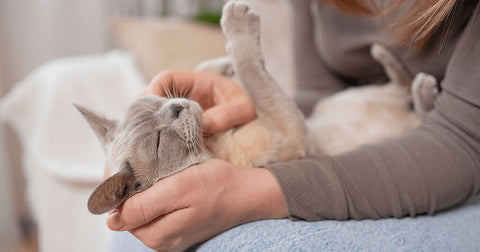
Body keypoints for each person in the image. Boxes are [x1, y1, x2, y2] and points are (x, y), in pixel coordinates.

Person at [106, 0, 480, 251]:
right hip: (389, 128)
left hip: (456, 162)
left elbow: (465, 142)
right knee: (137, 237)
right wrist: (248, 106)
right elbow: (320, 94)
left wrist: (251, 193)